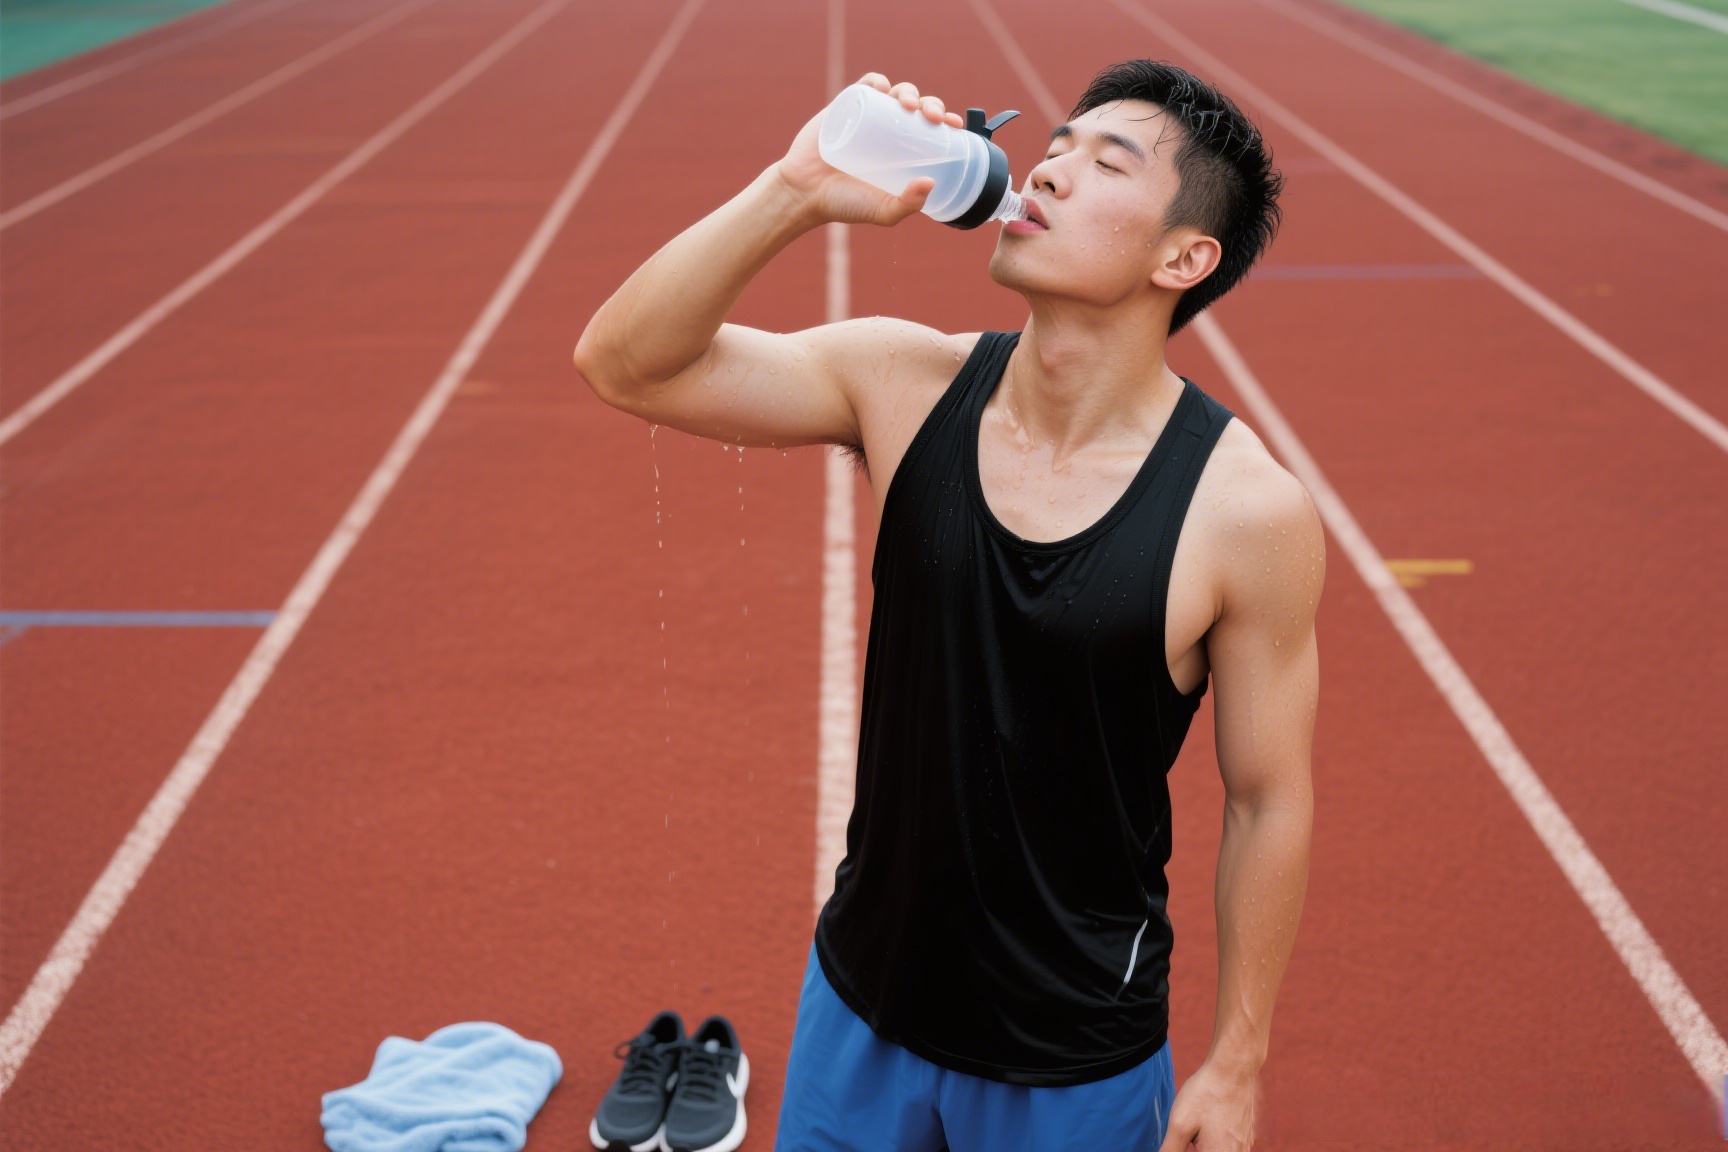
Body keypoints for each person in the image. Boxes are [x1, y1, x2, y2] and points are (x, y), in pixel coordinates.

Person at [574, 58, 1320, 1152]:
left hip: (1073, 1057)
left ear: (1186, 256)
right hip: (863, 1001)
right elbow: (625, 364)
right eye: (1056, 146)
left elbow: (1268, 800)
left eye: (1105, 161)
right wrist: (796, 189)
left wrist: (1238, 1061)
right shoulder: (902, 381)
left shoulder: (1245, 511)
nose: (1052, 170)